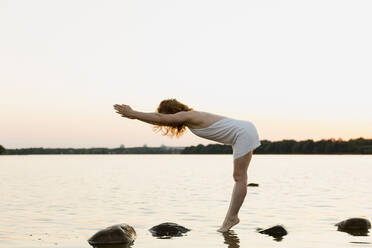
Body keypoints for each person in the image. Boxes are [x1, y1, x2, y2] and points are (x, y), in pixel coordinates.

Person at [114, 99, 260, 232]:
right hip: (243, 132)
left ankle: (232, 218)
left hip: (243, 133)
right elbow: (161, 120)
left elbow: (160, 119)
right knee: (240, 177)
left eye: (166, 116)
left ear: (171, 112)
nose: (168, 122)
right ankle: (231, 218)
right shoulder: (191, 117)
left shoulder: (188, 115)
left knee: (239, 177)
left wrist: (133, 114)